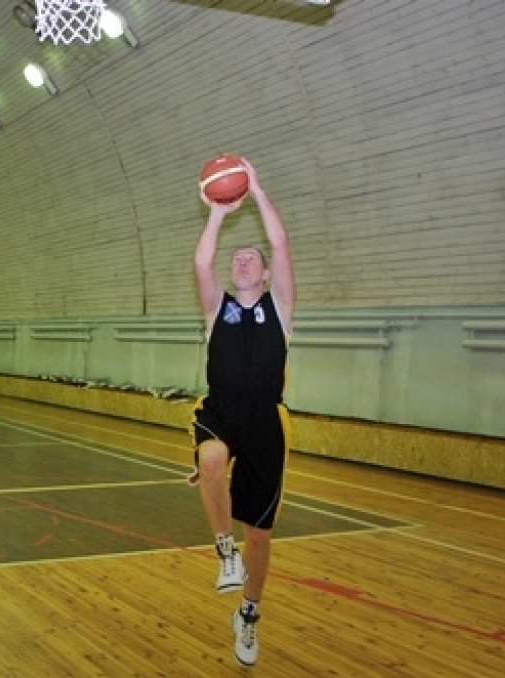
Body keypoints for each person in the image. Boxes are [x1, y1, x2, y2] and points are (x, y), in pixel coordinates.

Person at [190, 158, 295, 668]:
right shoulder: (219, 310)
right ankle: (223, 551)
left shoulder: (280, 308)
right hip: (222, 409)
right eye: (238, 257)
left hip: (265, 422)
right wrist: (216, 213)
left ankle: (249, 612)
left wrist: (256, 189)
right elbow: (201, 265)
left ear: (267, 273)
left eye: (252, 257)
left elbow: (281, 242)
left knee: (261, 534)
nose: (244, 260)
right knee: (210, 459)